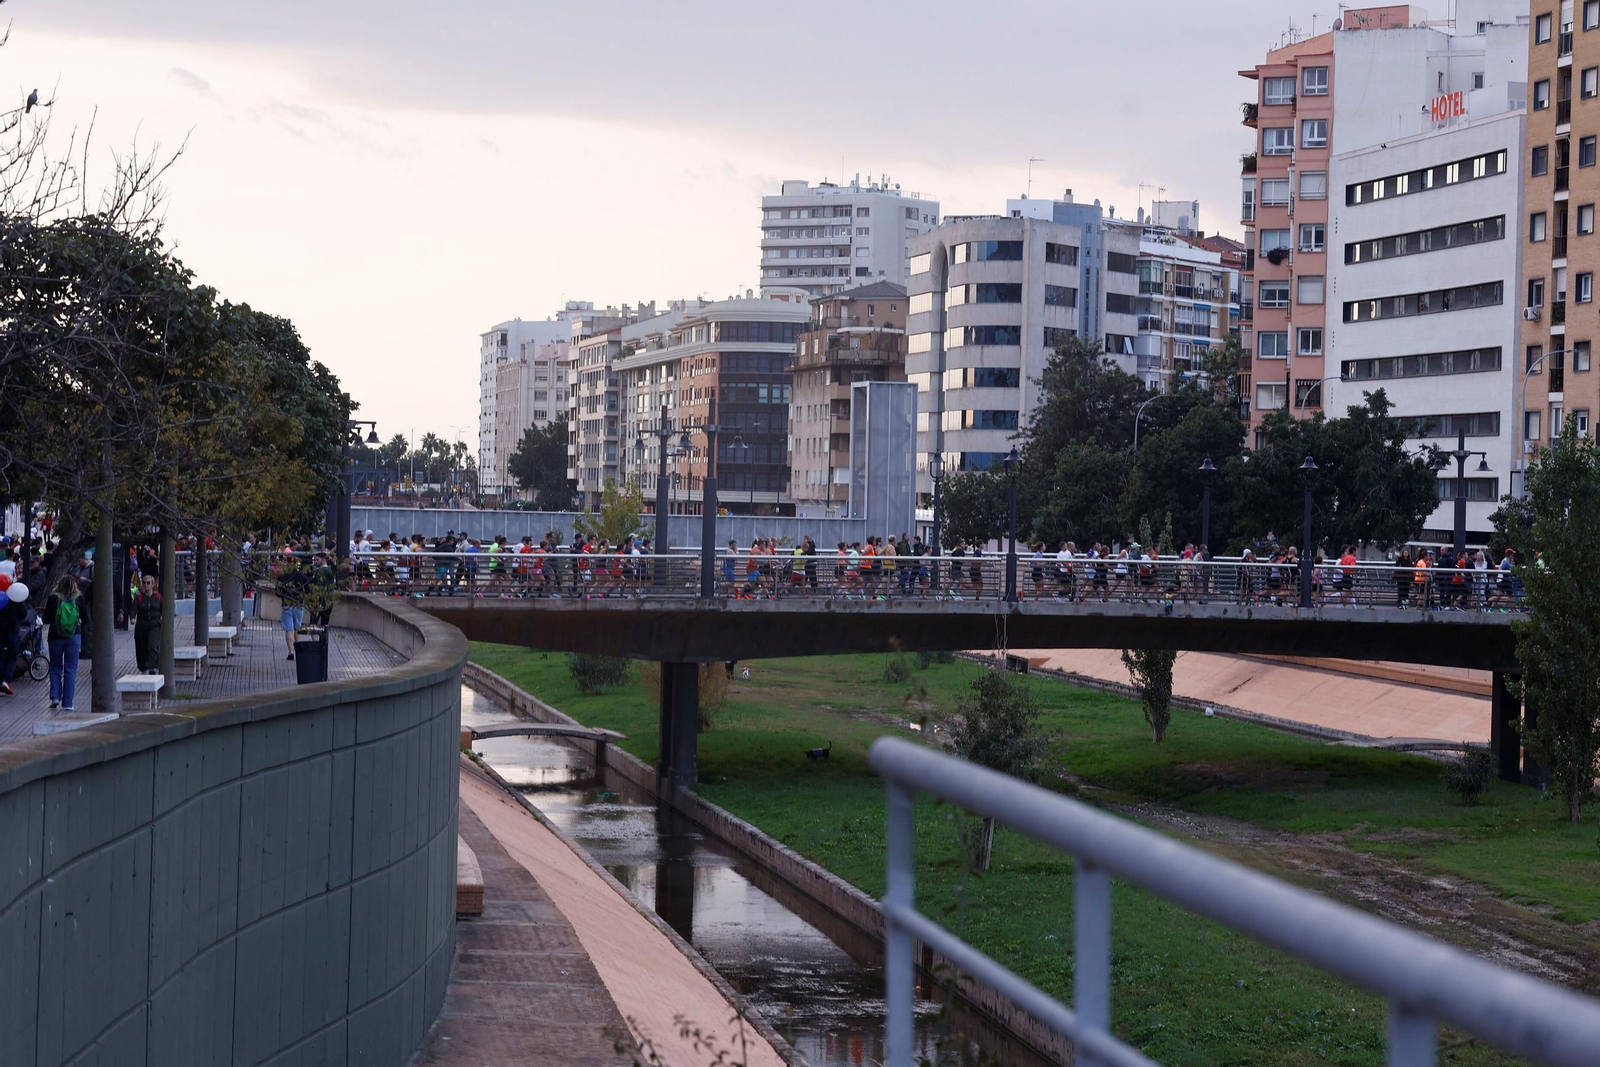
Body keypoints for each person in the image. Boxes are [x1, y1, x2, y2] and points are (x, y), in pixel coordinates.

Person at [44, 575, 88, 711]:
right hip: (74, 637)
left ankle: (55, 697)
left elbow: (46, 619)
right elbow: (87, 619)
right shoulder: (78, 598)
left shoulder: (53, 598)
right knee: (71, 668)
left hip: (55, 637)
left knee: (55, 666)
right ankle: (68, 703)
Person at [279, 560, 310, 659]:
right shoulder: (301, 576)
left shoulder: (282, 577)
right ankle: (299, 651)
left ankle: (290, 651)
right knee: (297, 628)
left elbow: (277, 591)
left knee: (289, 629)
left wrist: (283, 595)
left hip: (286, 604)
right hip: (298, 604)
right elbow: (308, 590)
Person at [133, 573, 162, 674]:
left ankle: (151, 666)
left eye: (148, 583)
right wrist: (132, 618)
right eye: (144, 582)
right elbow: (133, 609)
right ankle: (143, 668)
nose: (146, 585)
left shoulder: (158, 597)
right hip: (142, 625)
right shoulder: (139, 598)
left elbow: (164, 609)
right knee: (141, 647)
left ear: (153, 584)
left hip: (155, 625)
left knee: (153, 646)